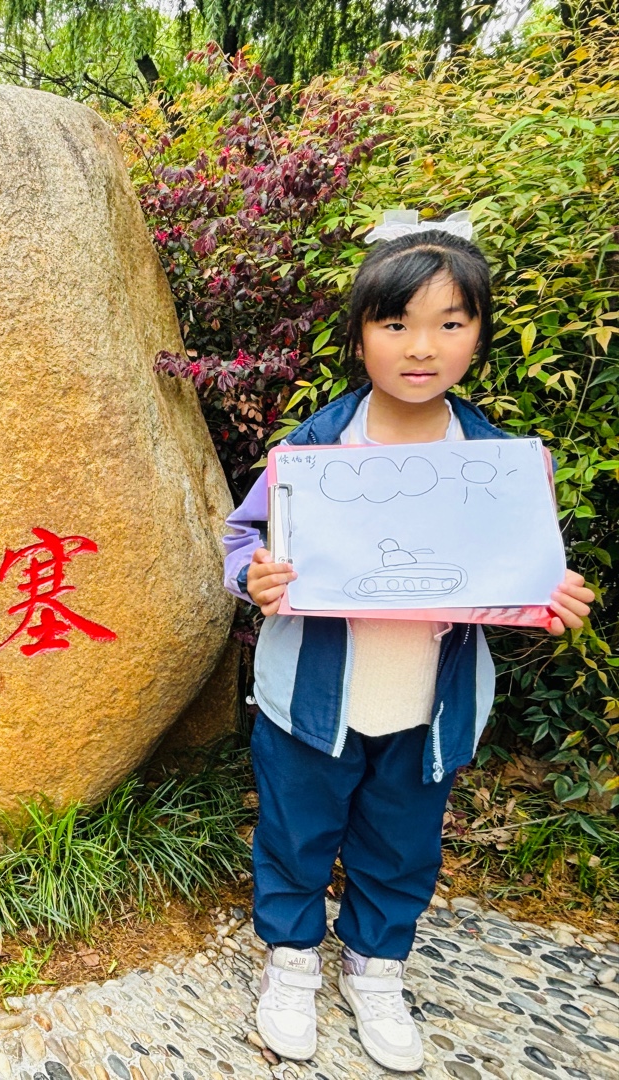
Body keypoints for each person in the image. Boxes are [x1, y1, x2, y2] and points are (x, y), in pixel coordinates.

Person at [221, 211, 595, 1072]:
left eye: (449, 324)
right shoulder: (310, 453)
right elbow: (241, 540)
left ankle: (376, 968)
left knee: (402, 845)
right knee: (295, 835)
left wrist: (547, 600)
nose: (421, 347)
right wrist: (255, 577)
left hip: (431, 708)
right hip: (310, 703)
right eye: (396, 324)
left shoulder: (501, 465)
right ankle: (291, 963)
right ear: (360, 335)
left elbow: (519, 572)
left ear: (479, 336)